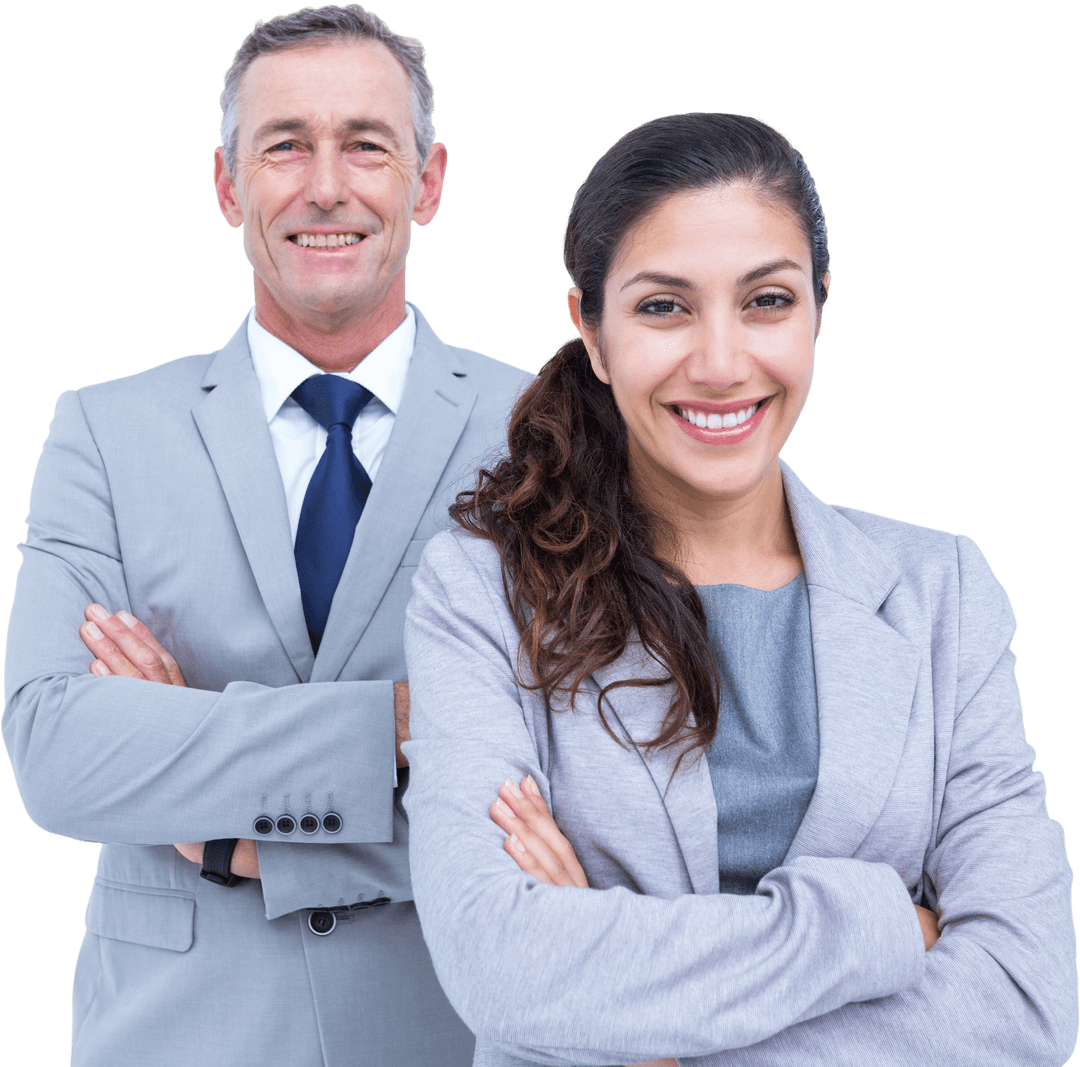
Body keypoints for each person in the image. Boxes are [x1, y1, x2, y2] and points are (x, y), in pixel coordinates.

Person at [402, 113, 1078, 1066]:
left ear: (818, 311)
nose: (721, 363)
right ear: (591, 334)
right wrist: (886, 926)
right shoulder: (485, 591)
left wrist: (644, 1026)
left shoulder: (944, 594)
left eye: (766, 300)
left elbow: (1025, 999)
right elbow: (498, 962)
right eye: (664, 307)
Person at [1, 5, 530, 1066]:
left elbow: (574, 778)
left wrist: (234, 831)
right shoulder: (103, 432)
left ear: (425, 184)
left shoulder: (546, 436)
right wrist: (401, 720)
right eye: (285, 144)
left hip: (462, 1030)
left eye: (366, 145)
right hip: (175, 1036)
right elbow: (56, 752)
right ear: (228, 185)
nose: (325, 185)